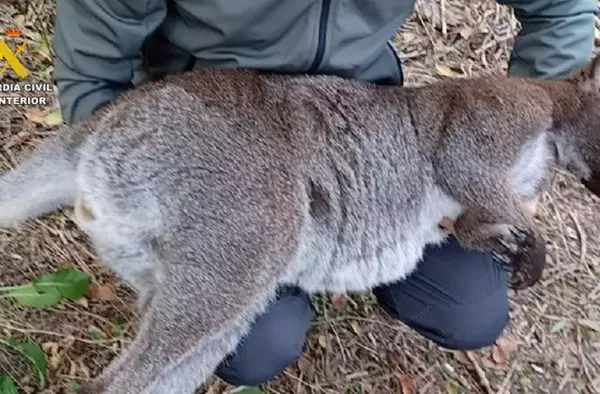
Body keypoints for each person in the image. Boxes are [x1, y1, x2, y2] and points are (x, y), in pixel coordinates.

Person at [51, 0, 595, 387]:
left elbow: (561, 7)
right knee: (253, 341)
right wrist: (123, 175)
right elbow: (93, 56)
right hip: (220, 127)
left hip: (364, 130)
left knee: (470, 309)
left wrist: (523, 173)